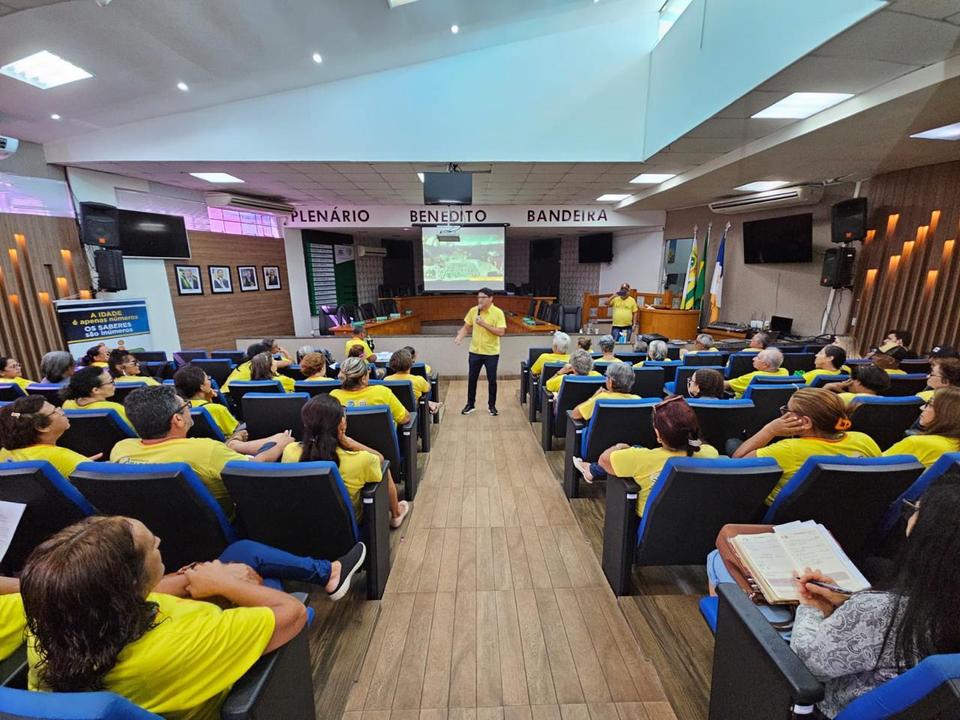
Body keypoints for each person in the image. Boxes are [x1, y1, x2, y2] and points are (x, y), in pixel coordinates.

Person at [21, 516, 366, 719]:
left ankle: (328, 572)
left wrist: (198, 578)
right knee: (265, 582)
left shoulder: (52, 628)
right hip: (233, 683)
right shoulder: (185, 642)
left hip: (175, 671)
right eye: (152, 545)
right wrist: (226, 584)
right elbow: (292, 614)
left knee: (241, 553)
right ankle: (328, 574)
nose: (159, 541)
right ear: (130, 583)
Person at [789, 478, 960, 718]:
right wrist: (847, 602)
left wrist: (810, 608)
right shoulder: (941, 606)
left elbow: (803, 666)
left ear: (927, 533)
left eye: (914, 510)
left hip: (825, 709)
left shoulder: (881, 612)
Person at [110, 386, 295, 512]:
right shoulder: (206, 450)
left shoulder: (121, 449)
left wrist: (234, 443)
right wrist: (281, 443)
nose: (189, 409)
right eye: (186, 406)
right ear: (178, 419)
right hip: (225, 529)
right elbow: (256, 467)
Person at [733, 387, 881, 505]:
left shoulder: (788, 450)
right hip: (844, 508)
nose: (783, 414)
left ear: (806, 422)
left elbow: (737, 465)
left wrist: (769, 430)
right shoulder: (864, 439)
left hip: (786, 518)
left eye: (787, 410)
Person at [281, 395, 409, 527]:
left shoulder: (289, 451)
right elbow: (381, 460)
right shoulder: (362, 460)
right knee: (384, 469)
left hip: (301, 523)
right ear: (341, 424)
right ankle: (396, 513)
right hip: (344, 527)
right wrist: (352, 444)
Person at [580, 395, 719, 503]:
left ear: (658, 435)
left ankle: (590, 469)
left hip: (648, 525)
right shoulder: (711, 453)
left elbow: (604, 460)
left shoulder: (640, 458)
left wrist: (619, 447)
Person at [0, 396, 95, 477]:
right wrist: (77, 462)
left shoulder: (4, 452)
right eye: (54, 411)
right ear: (42, 427)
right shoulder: (61, 456)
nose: (61, 411)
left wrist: (79, 463)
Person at [455, 287, 507, 416]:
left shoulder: (498, 313)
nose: (480, 300)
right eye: (478, 297)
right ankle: (470, 404)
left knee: (492, 380)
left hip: (491, 352)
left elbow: (501, 332)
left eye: (483, 297)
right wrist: (460, 337)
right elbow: (466, 327)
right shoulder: (473, 311)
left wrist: (484, 324)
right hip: (475, 351)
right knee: (472, 379)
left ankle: (492, 406)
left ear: (491, 298)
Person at [884, 386, 960, 467]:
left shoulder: (917, 443)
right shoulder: (955, 446)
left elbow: (876, 466)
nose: (922, 408)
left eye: (930, 405)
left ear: (947, 414)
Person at [330, 357, 410, 426]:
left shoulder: (333, 397)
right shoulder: (382, 392)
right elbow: (405, 419)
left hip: (344, 439)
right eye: (367, 371)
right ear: (363, 379)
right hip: (380, 439)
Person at [173, 364, 240, 438]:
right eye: (208, 379)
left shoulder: (177, 409)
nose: (210, 381)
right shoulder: (217, 409)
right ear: (201, 387)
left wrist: (208, 399)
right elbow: (238, 431)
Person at [60, 366, 133, 429]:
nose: (114, 384)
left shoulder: (67, 404)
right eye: (111, 382)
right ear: (96, 390)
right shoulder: (115, 408)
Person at [571, 362, 640, 421]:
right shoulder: (638, 400)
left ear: (610, 382)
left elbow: (575, 414)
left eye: (606, 376)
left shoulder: (602, 398)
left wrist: (593, 397)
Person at [388, 349, 440, 414]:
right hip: (415, 413)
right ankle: (431, 404)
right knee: (427, 390)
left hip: (395, 412)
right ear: (411, 364)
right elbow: (428, 389)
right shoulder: (418, 380)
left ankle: (430, 403)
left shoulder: (386, 380)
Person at [823, 364, 891, 406]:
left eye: (850, 379)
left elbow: (817, 407)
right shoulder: (887, 402)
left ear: (858, 381)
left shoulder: (845, 397)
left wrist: (826, 387)